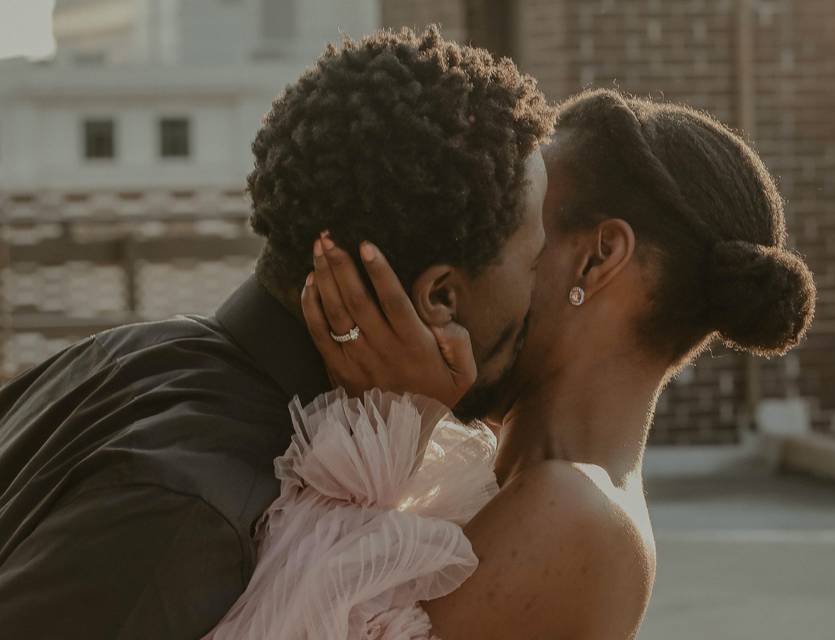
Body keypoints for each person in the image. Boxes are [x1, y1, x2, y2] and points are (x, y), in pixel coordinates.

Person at [0, 27, 552, 638]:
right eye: (534, 261)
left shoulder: (122, 353)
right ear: (441, 298)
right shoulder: (202, 507)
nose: (548, 289)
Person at [214, 88, 816, 638]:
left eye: (514, 223)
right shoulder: (499, 460)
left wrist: (391, 418)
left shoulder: (572, 513)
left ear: (598, 258)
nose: (472, 243)